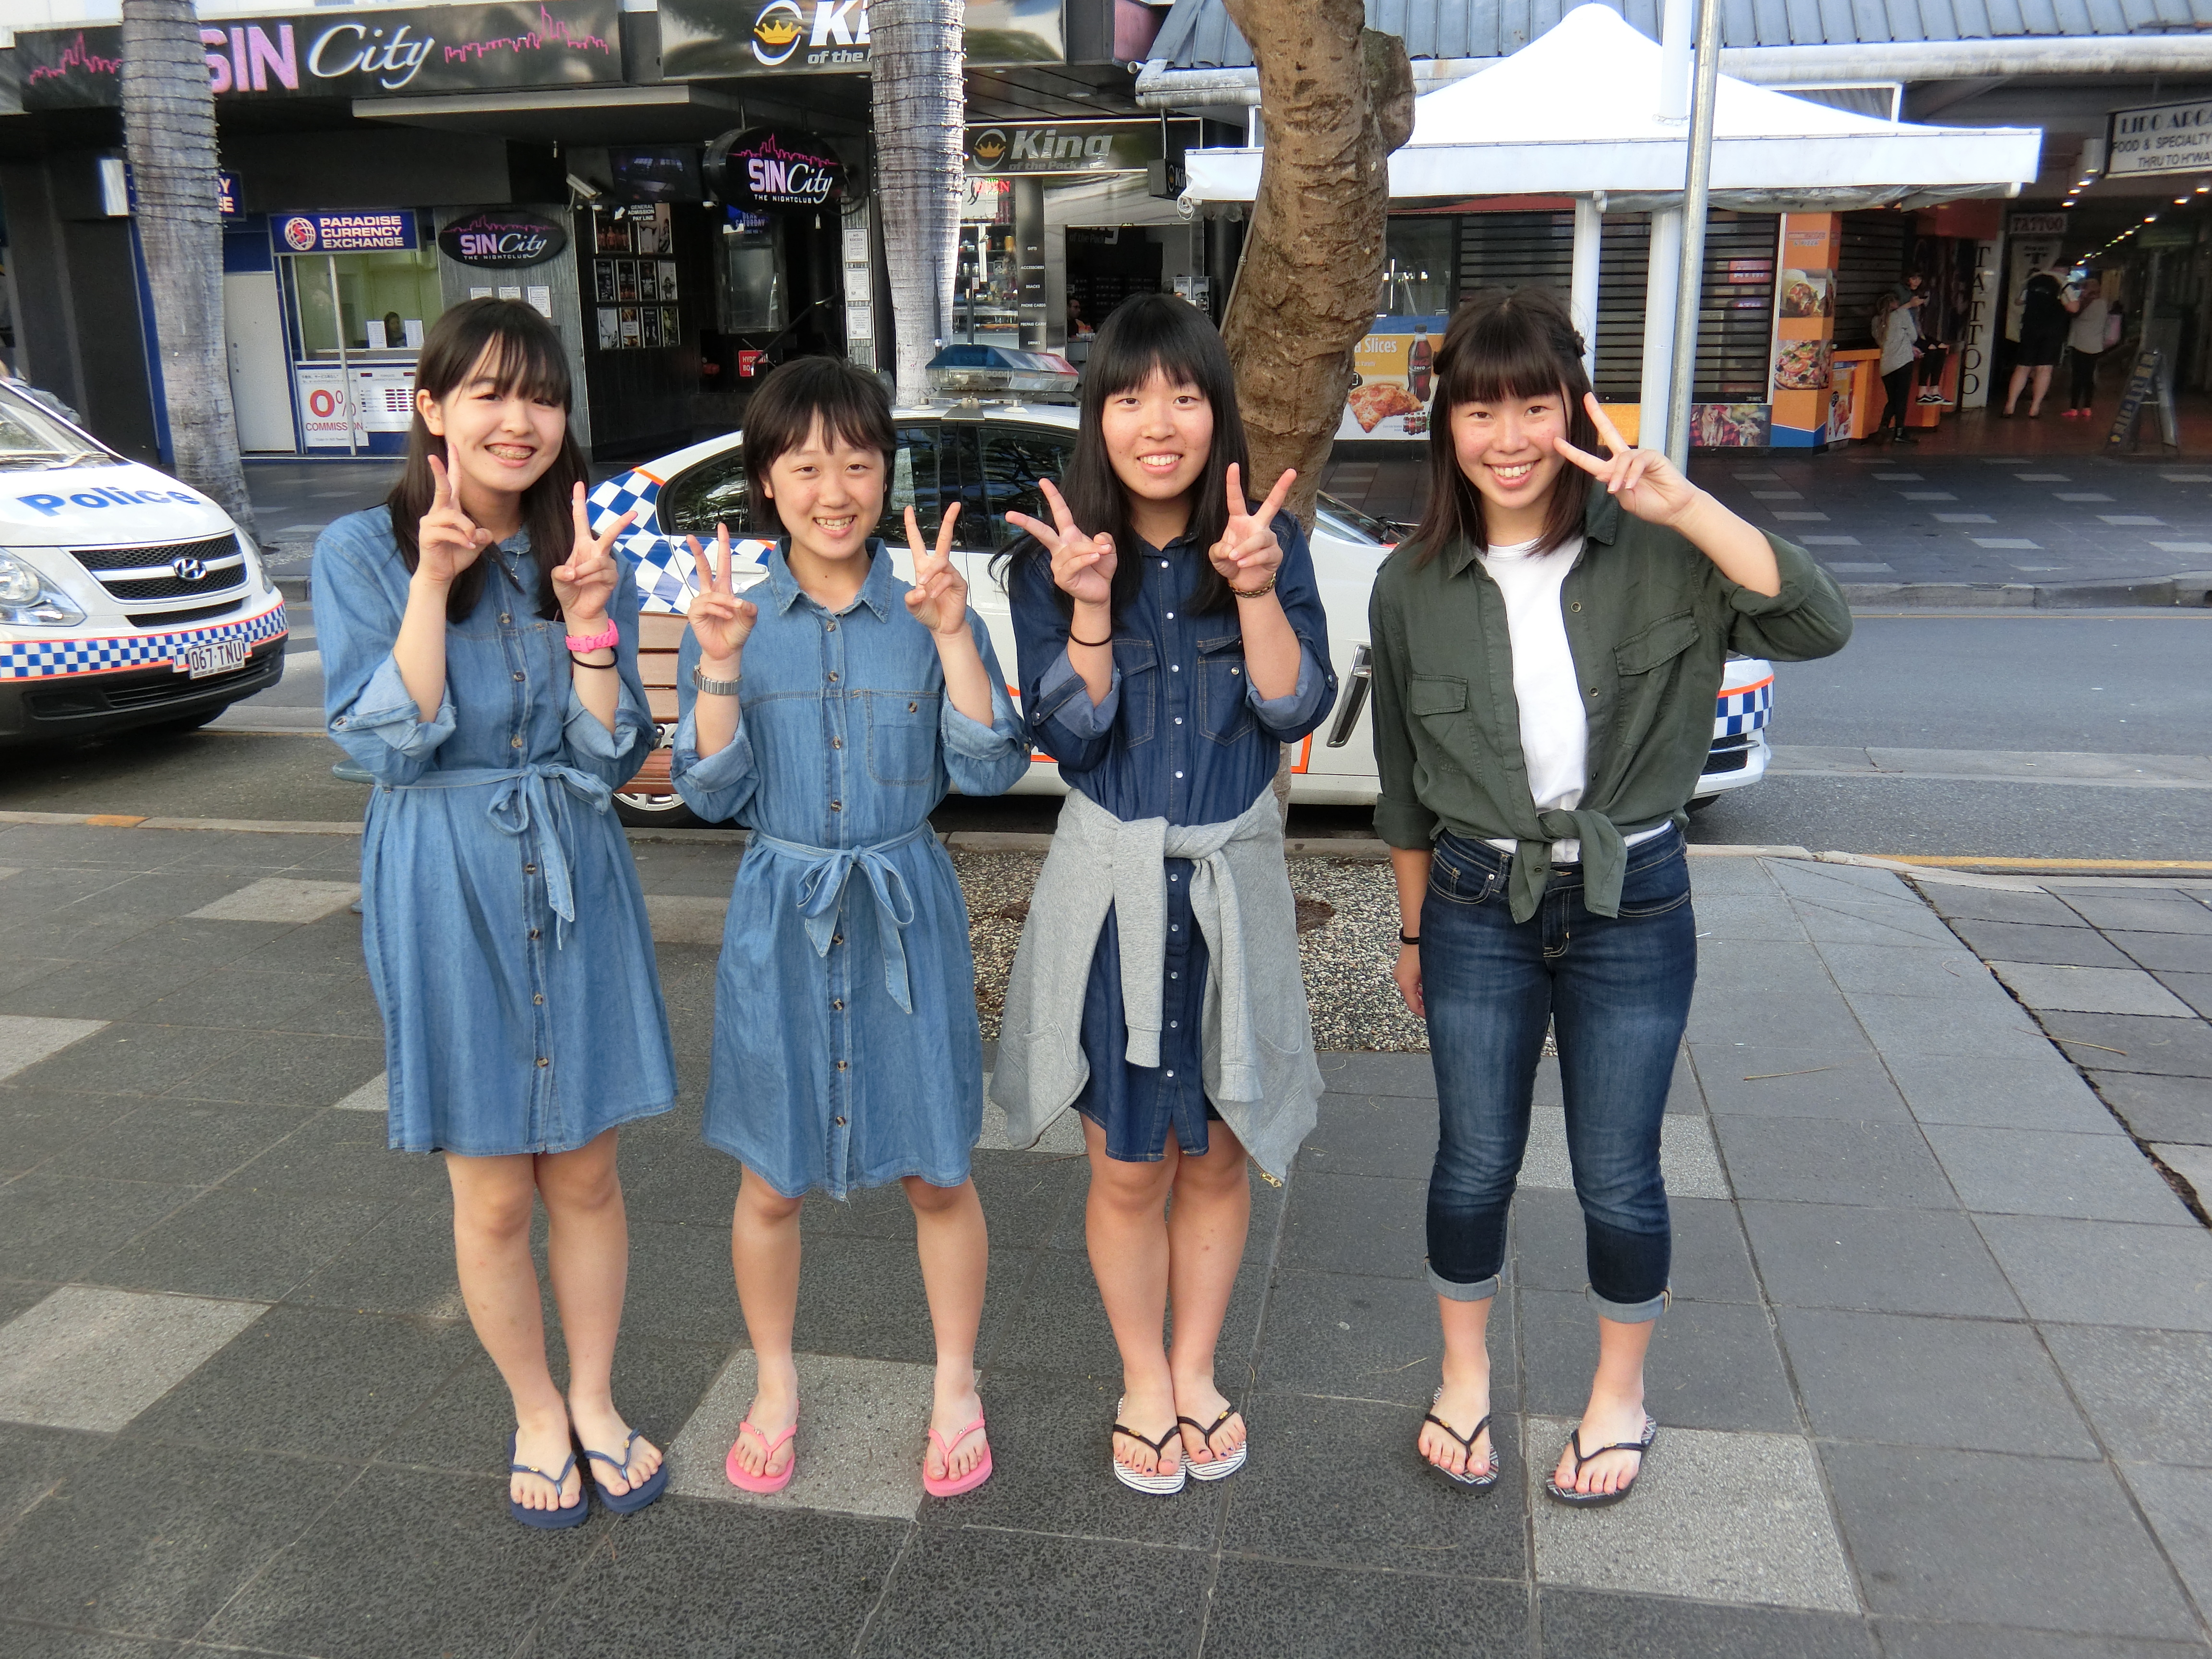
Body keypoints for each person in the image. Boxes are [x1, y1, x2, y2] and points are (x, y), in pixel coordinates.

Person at [1367, 288, 1851, 1506]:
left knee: (1619, 1168)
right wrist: (1415, 929)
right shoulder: (1411, 582)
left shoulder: (1660, 548)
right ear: (1446, 425)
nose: (1509, 438)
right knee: (1473, 1157)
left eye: (1536, 406)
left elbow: (1817, 621)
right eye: (1480, 411)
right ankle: (1464, 1377)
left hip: (1633, 899)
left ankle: (1618, 1397)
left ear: (1578, 410)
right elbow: (1404, 790)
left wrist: (1685, 504)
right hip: (1475, 899)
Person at [315, 298, 675, 1528]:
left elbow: (609, 756)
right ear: (432, 408)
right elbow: (389, 742)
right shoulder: (362, 550)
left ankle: (595, 1399)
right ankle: (533, 1409)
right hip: (443, 874)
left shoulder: (579, 546)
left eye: (542, 396)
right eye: (489, 392)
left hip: (572, 867)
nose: (519, 420)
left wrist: (592, 626)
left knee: (586, 1173)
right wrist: (433, 579)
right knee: (494, 1190)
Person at [991, 294, 1337, 1495]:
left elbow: (1296, 707)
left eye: (1184, 395)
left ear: (1216, 413)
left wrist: (1256, 590)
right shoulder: (1055, 563)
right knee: (1130, 1164)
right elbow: (1074, 736)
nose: (1158, 422)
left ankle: (1196, 1369)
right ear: (1098, 416)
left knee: (1221, 1156)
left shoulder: (1268, 548)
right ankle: (1142, 1375)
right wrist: (1089, 605)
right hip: (1113, 908)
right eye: (1130, 397)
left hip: (1233, 895)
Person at [669, 356, 1029, 1500]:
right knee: (770, 1179)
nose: (835, 491)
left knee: (938, 1170)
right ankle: (774, 1382)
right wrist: (717, 666)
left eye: (858, 465)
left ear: (888, 477)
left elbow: (992, 765)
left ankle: (956, 1383)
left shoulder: (931, 606)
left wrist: (957, 638)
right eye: (806, 466)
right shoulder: (734, 618)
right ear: (766, 483)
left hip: (905, 909)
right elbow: (710, 793)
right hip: (781, 916)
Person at [2004, 264, 2069, 417]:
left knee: (2022, 367)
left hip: (2030, 328)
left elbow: (2018, 301)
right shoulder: (2064, 284)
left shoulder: (2032, 281)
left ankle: (2010, 405)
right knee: (2044, 369)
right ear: (2065, 271)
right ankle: (2035, 408)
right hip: (2052, 331)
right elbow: (2073, 307)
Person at [1874, 280, 1925, 445]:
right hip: (1903, 362)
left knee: (1893, 399)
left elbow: (1882, 341)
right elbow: (1914, 337)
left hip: (1886, 366)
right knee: (1901, 399)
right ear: (1896, 303)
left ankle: (1883, 428)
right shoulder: (1902, 315)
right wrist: (1909, 344)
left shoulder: (1876, 321)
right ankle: (1900, 432)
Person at [2063, 275, 2110, 419]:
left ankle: (2073, 408)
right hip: (2095, 345)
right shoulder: (2103, 304)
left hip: (2080, 344)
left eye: (2083, 288)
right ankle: (2087, 407)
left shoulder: (2083, 304)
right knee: (2089, 377)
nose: (2082, 291)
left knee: (2077, 377)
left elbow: (2073, 314)